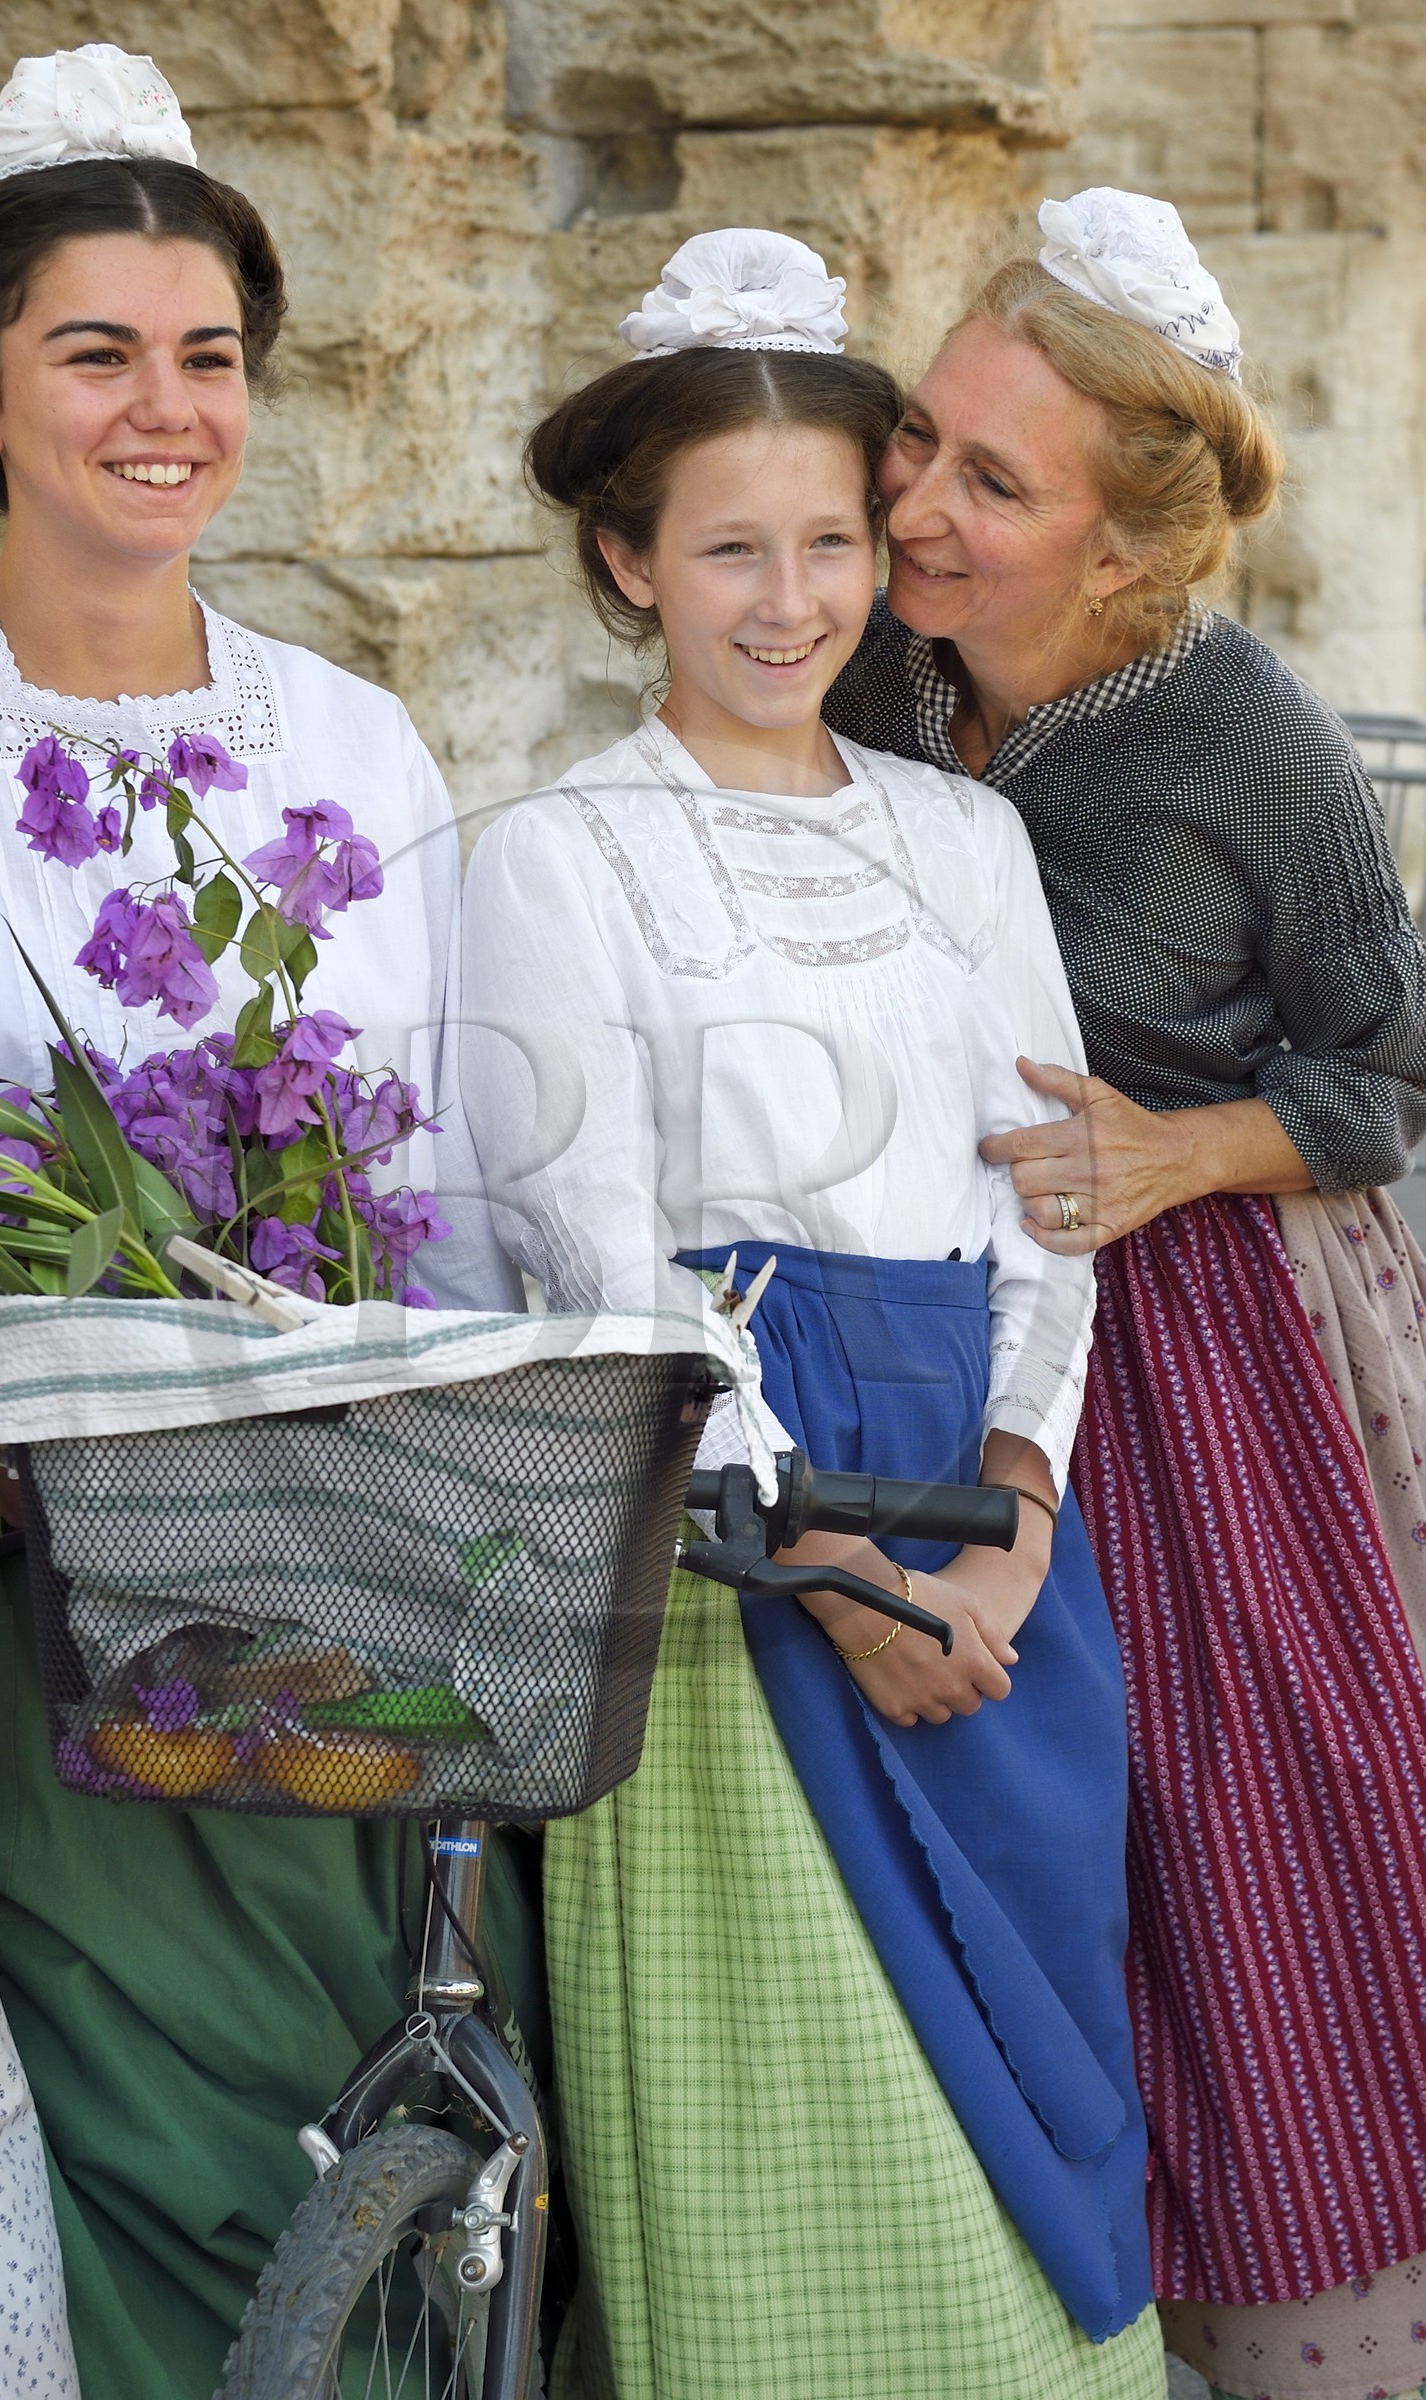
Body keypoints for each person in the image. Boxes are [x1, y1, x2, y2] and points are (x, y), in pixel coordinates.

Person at [0, 45, 539, 2400]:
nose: (166, 409)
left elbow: (439, 1174)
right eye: (95, 354)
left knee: (360, 2134)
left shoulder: (354, 744)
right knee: (90, 2163)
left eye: (207, 355)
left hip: (324, 1596)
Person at [461, 228, 1165, 2400]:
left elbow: (1052, 1200)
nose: (791, 603)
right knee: (804, 2121)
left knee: (1030, 2124)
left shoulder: (965, 841)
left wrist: (1015, 1510)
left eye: (833, 543)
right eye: (730, 549)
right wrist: (831, 1573)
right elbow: (596, 1249)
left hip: (986, 1522)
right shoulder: (557, 856)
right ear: (627, 562)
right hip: (726, 1535)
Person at [825, 184, 1426, 2400]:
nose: (914, 503)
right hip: (923, 1323)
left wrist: (1178, 1149)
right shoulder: (871, 659)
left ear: (1123, 551)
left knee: (1252, 1858)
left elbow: (1386, 1065)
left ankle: (1312, 2338)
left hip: (1211, 1346)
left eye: (992, 482)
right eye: (918, 438)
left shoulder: (1249, 740)